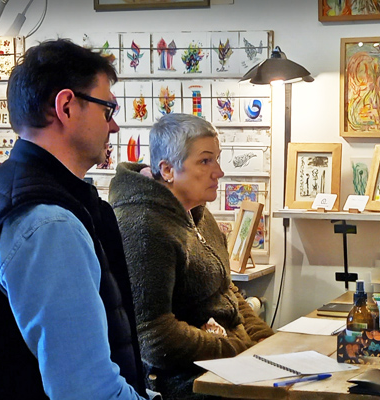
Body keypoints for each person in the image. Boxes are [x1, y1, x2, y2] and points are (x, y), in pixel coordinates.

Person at [0, 39, 147, 400]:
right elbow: (88, 392)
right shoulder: (48, 224)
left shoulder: (4, 187)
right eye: (108, 110)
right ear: (66, 106)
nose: (114, 127)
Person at [109, 113, 274, 400]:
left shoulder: (197, 212)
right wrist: (240, 347)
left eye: (217, 159)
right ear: (168, 169)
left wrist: (267, 342)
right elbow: (155, 337)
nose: (219, 172)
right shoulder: (143, 226)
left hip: (226, 365)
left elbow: (227, 291)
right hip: (184, 384)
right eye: (205, 161)